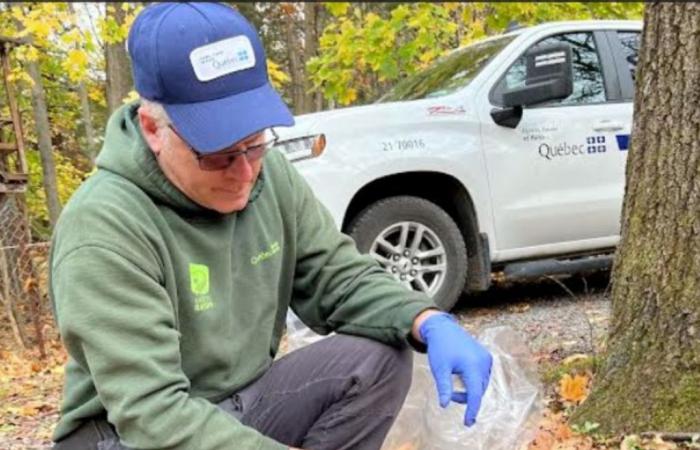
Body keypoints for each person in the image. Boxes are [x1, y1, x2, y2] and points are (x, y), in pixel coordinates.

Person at [49, 3, 493, 450]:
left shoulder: (269, 175)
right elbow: (153, 414)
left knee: (377, 359)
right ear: (152, 128)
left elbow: (337, 276)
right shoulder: (104, 227)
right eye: (219, 154)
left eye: (255, 144)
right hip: (125, 436)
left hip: (239, 400)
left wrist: (427, 319)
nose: (245, 172)